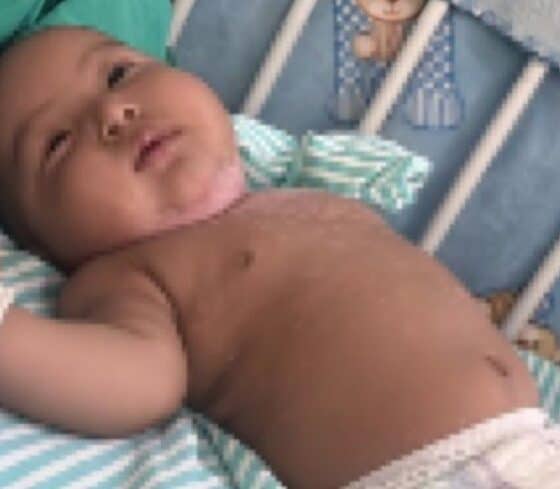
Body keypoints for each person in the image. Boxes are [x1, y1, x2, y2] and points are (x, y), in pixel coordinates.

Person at [0, 26, 556, 489]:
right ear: (44, 243)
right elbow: (138, 381)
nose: (113, 111)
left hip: (534, 444)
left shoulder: (290, 193)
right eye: (57, 142)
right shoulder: (128, 274)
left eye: (118, 74)